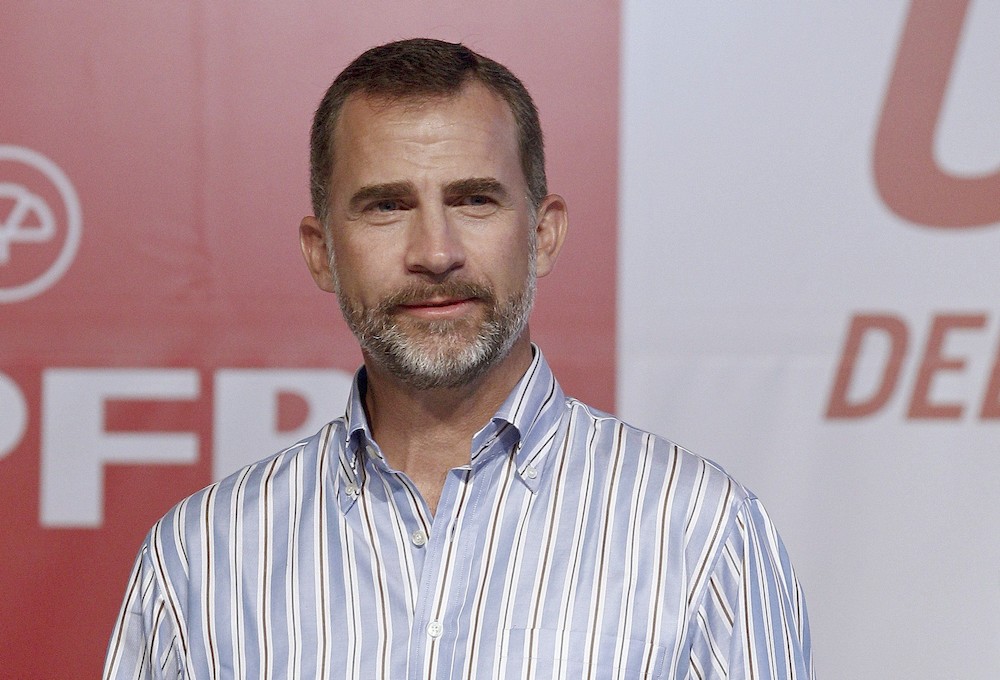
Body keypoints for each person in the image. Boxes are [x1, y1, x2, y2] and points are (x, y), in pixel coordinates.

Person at [103, 38, 814, 679]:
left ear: (542, 234)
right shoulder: (202, 555)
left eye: (474, 200)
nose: (436, 252)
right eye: (386, 207)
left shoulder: (700, 534)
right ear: (322, 253)